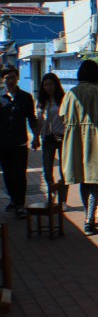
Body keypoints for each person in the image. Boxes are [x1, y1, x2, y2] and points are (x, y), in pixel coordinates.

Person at [60, 60, 98, 236]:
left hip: (74, 140)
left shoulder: (70, 94)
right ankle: (89, 220)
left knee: (83, 179)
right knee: (94, 178)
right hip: (94, 138)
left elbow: (63, 116)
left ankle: (87, 217)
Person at [0, 66, 38, 219]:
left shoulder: (26, 97)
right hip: (3, 143)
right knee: (7, 175)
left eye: (13, 77)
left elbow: (32, 118)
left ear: (17, 78)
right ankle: (13, 199)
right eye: (7, 78)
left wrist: (36, 137)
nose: (10, 80)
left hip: (20, 143)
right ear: (2, 79)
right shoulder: (0, 96)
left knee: (19, 174)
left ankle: (20, 205)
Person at [32, 73, 68, 210]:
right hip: (48, 138)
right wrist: (36, 137)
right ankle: (52, 191)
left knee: (64, 170)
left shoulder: (63, 99)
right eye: (45, 85)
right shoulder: (41, 101)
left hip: (62, 136)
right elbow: (39, 120)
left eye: (50, 84)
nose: (48, 87)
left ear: (56, 84)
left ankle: (63, 200)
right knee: (47, 169)